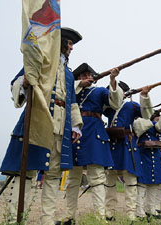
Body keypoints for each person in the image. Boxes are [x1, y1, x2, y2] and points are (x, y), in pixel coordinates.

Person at [0, 27, 83, 225]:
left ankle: (47, 221)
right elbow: (16, 83)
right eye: (69, 44)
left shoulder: (70, 75)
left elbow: (71, 101)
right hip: (38, 120)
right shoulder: (41, 61)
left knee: (53, 177)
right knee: (27, 174)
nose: (71, 48)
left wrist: (76, 126)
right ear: (60, 42)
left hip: (61, 126)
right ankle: (14, 220)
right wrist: (25, 82)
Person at [61, 63, 123, 224]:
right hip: (74, 134)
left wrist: (113, 79)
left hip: (94, 135)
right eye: (83, 75)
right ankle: (69, 216)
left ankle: (99, 218)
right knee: (72, 179)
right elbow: (64, 92)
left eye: (89, 75)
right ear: (77, 78)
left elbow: (115, 103)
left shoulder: (100, 91)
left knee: (96, 179)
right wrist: (78, 84)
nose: (87, 77)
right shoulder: (71, 90)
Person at [103, 84, 154, 223]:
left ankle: (131, 214)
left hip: (127, 145)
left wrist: (144, 96)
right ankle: (109, 212)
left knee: (131, 182)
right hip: (112, 145)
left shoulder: (132, 106)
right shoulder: (109, 107)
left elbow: (147, 114)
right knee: (109, 182)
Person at [134, 107, 161, 220]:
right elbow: (139, 127)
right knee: (141, 185)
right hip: (143, 156)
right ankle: (139, 212)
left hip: (155, 157)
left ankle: (151, 210)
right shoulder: (138, 121)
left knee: (154, 185)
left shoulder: (155, 126)